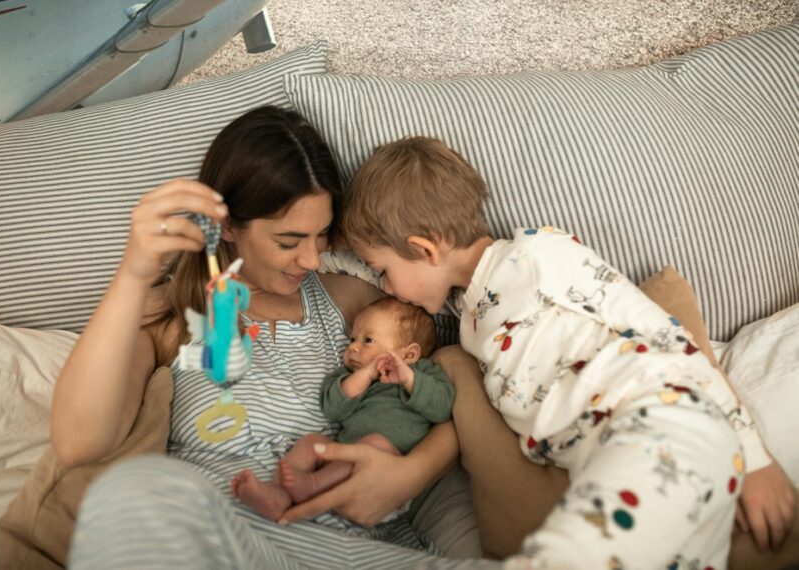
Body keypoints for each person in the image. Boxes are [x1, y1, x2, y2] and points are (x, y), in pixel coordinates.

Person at [335, 135, 798, 569]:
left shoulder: (535, 255)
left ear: (423, 249)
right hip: (615, 461)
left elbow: (665, 334)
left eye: (383, 270)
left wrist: (754, 456)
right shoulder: (470, 320)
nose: (385, 287)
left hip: (658, 418)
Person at [52, 107, 481, 569]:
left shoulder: (356, 306)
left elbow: (455, 392)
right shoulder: (171, 319)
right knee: (126, 496)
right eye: (288, 242)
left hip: (360, 549)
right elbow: (80, 442)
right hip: (226, 542)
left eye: (321, 235)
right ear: (227, 226)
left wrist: (412, 472)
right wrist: (133, 275)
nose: (312, 260)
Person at [232, 297, 455, 522]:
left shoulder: (424, 374)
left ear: (409, 355)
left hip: (387, 474)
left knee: (376, 442)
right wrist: (365, 376)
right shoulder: (350, 377)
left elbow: (443, 409)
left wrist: (409, 380)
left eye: (368, 340)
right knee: (311, 443)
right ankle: (276, 494)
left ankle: (312, 484)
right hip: (342, 455)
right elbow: (333, 409)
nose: (353, 347)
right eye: (352, 339)